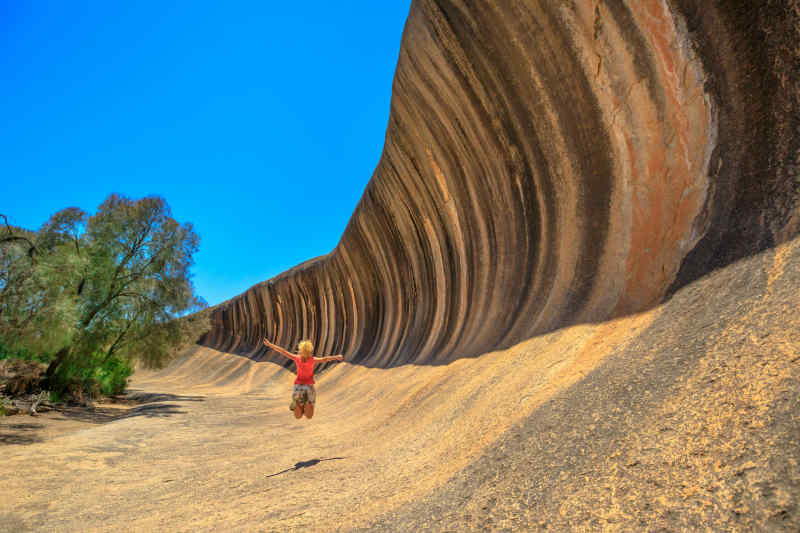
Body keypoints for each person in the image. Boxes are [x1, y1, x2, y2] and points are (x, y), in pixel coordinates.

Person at [262, 337, 344, 420]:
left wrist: (270, 345)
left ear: (301, 350)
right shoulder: (312, 360)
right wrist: (336, 357)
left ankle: (296, 402)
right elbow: (325, 359)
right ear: (310, 351)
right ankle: (306, 402)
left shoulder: (297, 358)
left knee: (298, 416)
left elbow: (283, 351)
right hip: (309, 387)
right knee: (309, 415)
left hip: (298, 386)